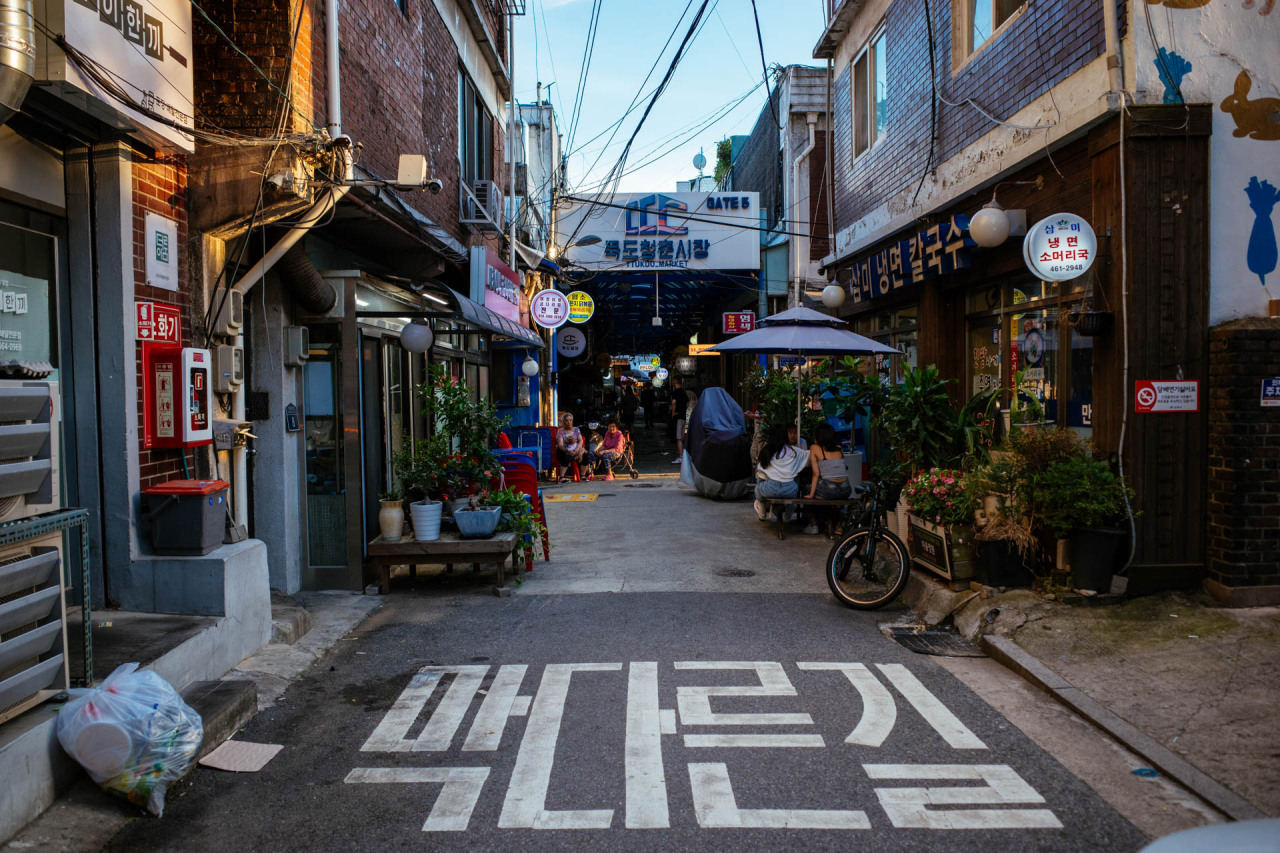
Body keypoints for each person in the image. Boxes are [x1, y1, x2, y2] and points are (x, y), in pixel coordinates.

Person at [753, 424, 809, 521]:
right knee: (795, 480)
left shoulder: (766, 451)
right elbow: (809, 455)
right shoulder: (795, 451)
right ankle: (788, 515)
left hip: (770, 489)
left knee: (758, 486)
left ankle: (761, 510)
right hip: (790, 490)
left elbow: (760, 471)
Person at [804, 423, 852, 535]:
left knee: (807, 489)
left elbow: (816, 473)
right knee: (827, 493)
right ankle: (837, 521)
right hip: (846, 489)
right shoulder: (839, 449)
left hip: (829, 489)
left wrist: (811, 495)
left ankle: (813, 524)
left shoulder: (815, 448)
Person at [555, 412, 590, 482]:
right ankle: (562, 477)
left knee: (585, 455)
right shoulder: (560, 431)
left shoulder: (576, 429)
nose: (569, 422)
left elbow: (580, 440)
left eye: (570, 420)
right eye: (567, 420)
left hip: (575, 449)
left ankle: (582, 476)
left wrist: (576, 450)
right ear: (563, 422)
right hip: (565, 450)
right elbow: (560, 445)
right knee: (565, 456)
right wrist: (568, 451)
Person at [670, 378, 695, 464]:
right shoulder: (683, 392)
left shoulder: (676, 392)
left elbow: (673, 403)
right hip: (684, 417)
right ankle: (684, 455)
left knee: (679, 438)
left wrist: (673, 413)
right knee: (683, 437)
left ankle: (681, 457)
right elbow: (687, 404)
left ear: (674, 382)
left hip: (678, 417)